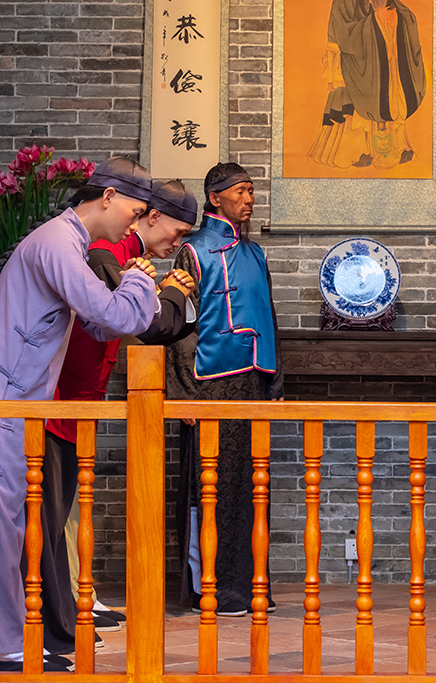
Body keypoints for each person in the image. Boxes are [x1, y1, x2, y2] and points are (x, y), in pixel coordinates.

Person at [0, 157, 160, 671]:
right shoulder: (57, 242)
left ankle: (0, 625)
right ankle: (6, 645)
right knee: (2, 517)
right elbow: (115, 314)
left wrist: (132, 289)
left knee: (6, 516)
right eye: (134, 211)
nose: (134, 224)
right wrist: (140, 282)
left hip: (5, 390)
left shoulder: (66, 242)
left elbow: (100, 327)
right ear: (108, 197)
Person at [37, 179, 200, 653]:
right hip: (56, 400)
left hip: (77, 402)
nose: (179, 242)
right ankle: (52, 623)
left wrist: (166, 292)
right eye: (177, 230)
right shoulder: (101, 252)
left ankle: (73, 606)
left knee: (66, 513)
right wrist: (168, 293)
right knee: (51, 519)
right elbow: (145, 325)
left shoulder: (124, 258)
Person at [166, 163, 283, 617]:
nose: (249, 199)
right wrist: (181, 393)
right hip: (209, 384)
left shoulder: (256, 254)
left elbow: (269, 319)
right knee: (210, 486)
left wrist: (274, 382)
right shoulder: (193, 252)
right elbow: (180, 327)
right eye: (240, 191)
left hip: (253, 381)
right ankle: (211, 587)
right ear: (215, 197)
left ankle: (249, 584)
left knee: (252, 487)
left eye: (251, 191)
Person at [307, 0, 426, 169]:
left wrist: (392, 17)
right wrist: (375, 20)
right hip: (353, 63)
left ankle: (397, 148)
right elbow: (343, 33)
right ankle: (355, 152)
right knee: (352, 101)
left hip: (383, 61)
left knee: (389, 92)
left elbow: (404, 14)